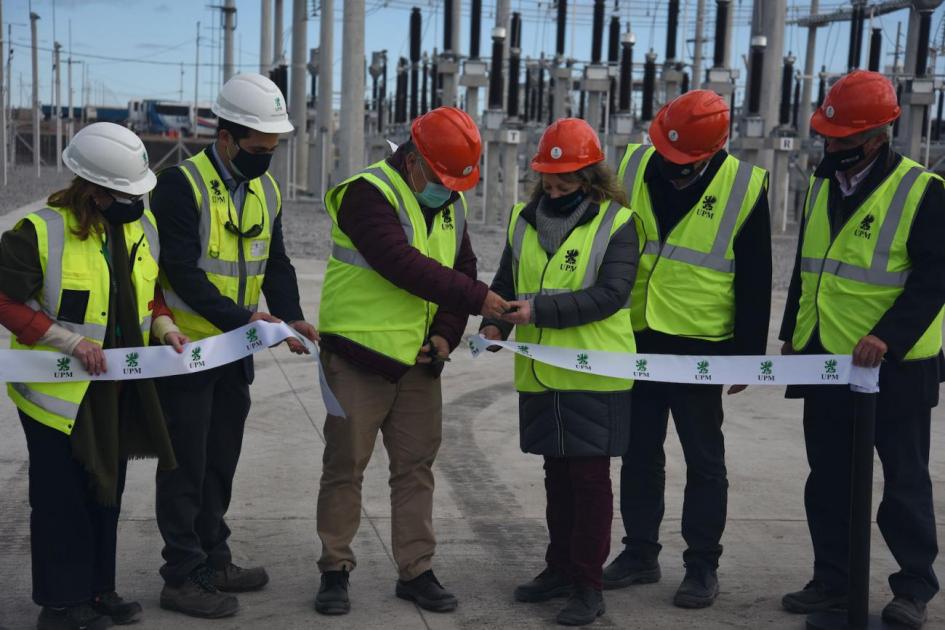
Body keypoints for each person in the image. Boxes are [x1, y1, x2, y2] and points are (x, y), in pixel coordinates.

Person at [313, 106, 508, 615]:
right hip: (358, 357)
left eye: (456, 182)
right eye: (442, 178)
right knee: (344, 467)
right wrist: (480, 299)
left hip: (420, 363)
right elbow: (401, 264)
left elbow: (460, 266)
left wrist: (446, 335)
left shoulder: (451, 203)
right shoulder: (366, 193)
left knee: (416, 469)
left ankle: (416, 570)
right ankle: (335, 568)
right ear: (414, 160)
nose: (449, 189)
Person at [0, 123, 186, 630]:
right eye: (126, 194)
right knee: (62, 500)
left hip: (114, 391)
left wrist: (165, 327)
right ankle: (61, 605)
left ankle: (99, 591)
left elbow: (151, 295)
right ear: (96, 191)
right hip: (55, 396)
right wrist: (72, 343)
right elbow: (6, 301)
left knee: (106, 490)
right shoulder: (38, 232)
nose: (136, 201)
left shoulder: (139, 230)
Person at [779, 70, 944, 630]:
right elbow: (809, 271)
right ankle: (833, 580)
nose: (830, 145)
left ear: (877, 137)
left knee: (903, 480)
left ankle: (914, 588)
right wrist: (790, 333)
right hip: (826, 358)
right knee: (827, 478)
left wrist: (888, 337)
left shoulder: (924, 191)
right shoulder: (824, 184)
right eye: (827, 135)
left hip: (895, 368)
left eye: (842, 138)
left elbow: (935, 277)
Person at [150, 73, 318, 619]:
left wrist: (290, 316)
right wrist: (248, 317)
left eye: (272, 149)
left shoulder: (264, 190)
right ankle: (183, 575)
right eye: (258, 149)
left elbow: (276, 261)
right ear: (226, 138)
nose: (266, 158)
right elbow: (180, 270)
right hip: (189, 352)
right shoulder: (180, 185)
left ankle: (214, 557)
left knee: (220, 460)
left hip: (235, 354)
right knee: (185, 467)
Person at [604, 89, 772, 608]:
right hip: (636, 335)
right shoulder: (633, 162)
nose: (671, 165)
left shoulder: (744, 186)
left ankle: (701, 566)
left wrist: (748, 353)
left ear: (710, 152)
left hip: (701, 344)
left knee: (704, 462)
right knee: (638, 453)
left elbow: (756, 275)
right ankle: (639, 553)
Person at [480, 118, 638, 626]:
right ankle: (560, 568)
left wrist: (539, 312)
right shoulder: (522, 219)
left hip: (594, 373)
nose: (553, 188)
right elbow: (507, 280)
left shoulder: (618, 223)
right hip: (540, 373)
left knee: (589, 480)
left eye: (564, 180)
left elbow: (612, 295)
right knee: (556, 477)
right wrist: (493, 324)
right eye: (547, 179)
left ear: (590, 178)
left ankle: (589, 586)